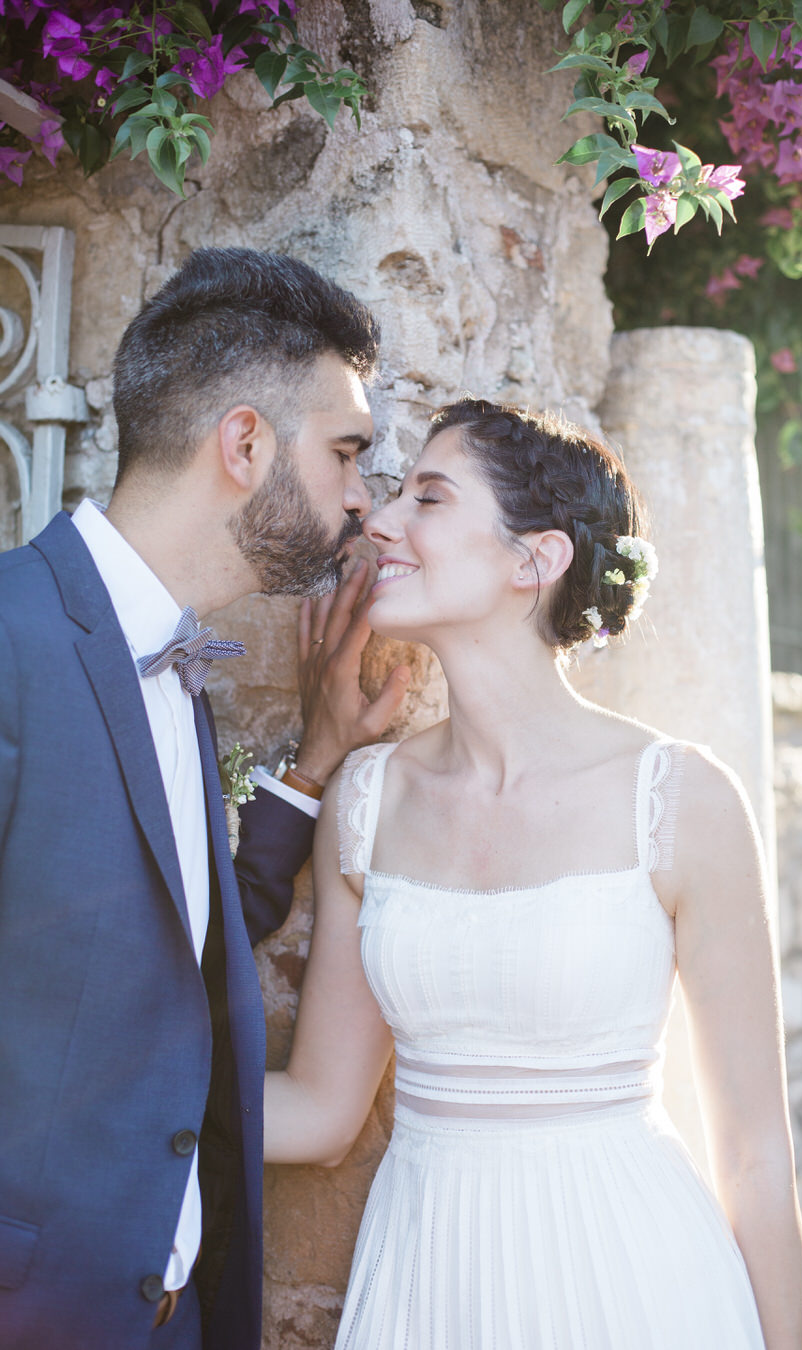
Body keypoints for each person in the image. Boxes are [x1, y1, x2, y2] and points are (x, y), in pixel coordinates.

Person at [264, 398, 802, 1350]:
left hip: (639, 1286)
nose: (380, 520)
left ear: (535, 559)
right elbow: (320, 1113)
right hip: (429, 1290)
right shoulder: (365, 802)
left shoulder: (679, 801)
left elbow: (756, 1156)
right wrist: (102, 1081)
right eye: (391, 495)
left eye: (428, 498)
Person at [0, 247, 409, 1350]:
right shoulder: (8, 640)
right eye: (346, 453)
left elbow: (163, 938)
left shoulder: (175, 666)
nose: (363, 500)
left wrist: (314, 765)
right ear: (243, 444)